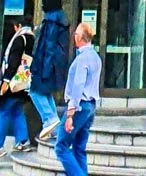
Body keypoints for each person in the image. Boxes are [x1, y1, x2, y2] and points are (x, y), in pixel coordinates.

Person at [54, 21, 101, 176]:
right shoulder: (95, 57)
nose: (74, 37)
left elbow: (78, 86)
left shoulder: (82, 59)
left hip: (80, 106)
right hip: (91, 106)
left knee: (61, 147)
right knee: (79, 148)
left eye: (75, 34)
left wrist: (70, 114)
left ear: (80, 37)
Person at [0, 19, 34, 162]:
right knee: (16, 111)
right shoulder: (32, 39)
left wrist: (6, 81)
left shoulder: (19, 39)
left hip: (13, 82)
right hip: (23, 82)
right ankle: (23, 141)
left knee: (2, 111)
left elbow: (13, 61)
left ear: (18, 26)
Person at [28, 0, 70, 142]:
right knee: (45, 93)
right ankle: (54, 127)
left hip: (46, 64)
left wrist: (43, 69)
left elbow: (48, 47)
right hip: (54, 64)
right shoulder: (60, 19)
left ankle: (50, 120)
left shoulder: (51, 20)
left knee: (34, 91)